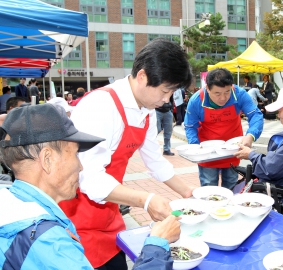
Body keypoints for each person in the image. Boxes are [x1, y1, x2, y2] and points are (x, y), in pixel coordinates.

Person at [58, 38, 194, 269]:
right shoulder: (101, 106)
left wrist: (190, 193)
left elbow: (155, 161)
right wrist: (147, 200)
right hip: (75, 219)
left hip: (109, 212)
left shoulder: (146, 109)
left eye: (171, 92)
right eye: (165, 90)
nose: (167, 99)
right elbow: (88, 177)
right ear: (142, 76)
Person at [0, 104, 182, 270]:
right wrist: (157, 245)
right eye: (75, 155)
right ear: (48, 160)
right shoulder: (49, 242)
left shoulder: (12, 202)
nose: (80, 167)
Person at [184, 68, 264, 189]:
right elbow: (190, 126)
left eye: (227, 92)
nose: (223, 98)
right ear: (208, 88)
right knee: (209, 188)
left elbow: (255, 115)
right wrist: (195, 146)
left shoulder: (239, 94)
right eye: (217, 93)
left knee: (231, 186)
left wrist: (250, 135)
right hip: (207, 153)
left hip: (232, 151)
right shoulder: (196, 101)